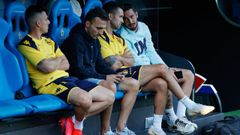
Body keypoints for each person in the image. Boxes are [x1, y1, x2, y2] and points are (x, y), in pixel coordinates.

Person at [99, 2, 215, 135]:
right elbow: (128, 62)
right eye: (123, 18)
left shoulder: (139, 29)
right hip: (137, 71)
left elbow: (150, 52)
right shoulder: (120, 33)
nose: (128, 21)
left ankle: (165, 123)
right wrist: (158, 69)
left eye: (131, 16)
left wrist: (165, 68)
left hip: (150, 71)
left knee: (183, 76)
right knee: (162, 74)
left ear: (136, 14)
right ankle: (185, 110)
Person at [18, 5, 115, 135]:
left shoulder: (49, 42)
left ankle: (73, 121)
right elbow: (47, 67)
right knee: (85, 100)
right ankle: (77, 127)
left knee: (109, 96)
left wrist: (53, 62)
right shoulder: (26, 45)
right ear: (38, 23)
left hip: (68, 79)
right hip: (50, 84)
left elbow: (67, 64)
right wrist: (56, 61)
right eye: (46, 19)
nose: (50, 22)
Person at [61, 7, 142, 135]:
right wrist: (105, 77)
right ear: (87, 24)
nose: (100, 32)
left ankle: (121, 129)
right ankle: (105, 130)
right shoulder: (76, 40)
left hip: (95, 76)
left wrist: (113, 74)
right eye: (98, 28)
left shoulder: (95, 38)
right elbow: (78, 70)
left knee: (133, 84)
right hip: (80, 80)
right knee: (110, 86)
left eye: (103, 29)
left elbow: (100, 64)